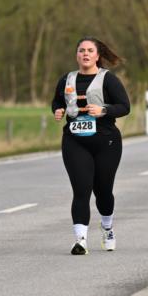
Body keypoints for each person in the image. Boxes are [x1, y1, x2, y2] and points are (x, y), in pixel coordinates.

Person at [52, 37, 130, 255]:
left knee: (103, 191)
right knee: (81, 190)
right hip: (75, 140)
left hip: (106, 141)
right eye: (81, 50)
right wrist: (57, 110)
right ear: (76, 55)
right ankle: (81, 241)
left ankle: (107, 227)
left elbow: (124, 107)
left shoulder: (108, 79)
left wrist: (104, 110)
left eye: (89, 51)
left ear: (97, 55)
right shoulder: (66, 79)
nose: (85, 54)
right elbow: (57, 101)